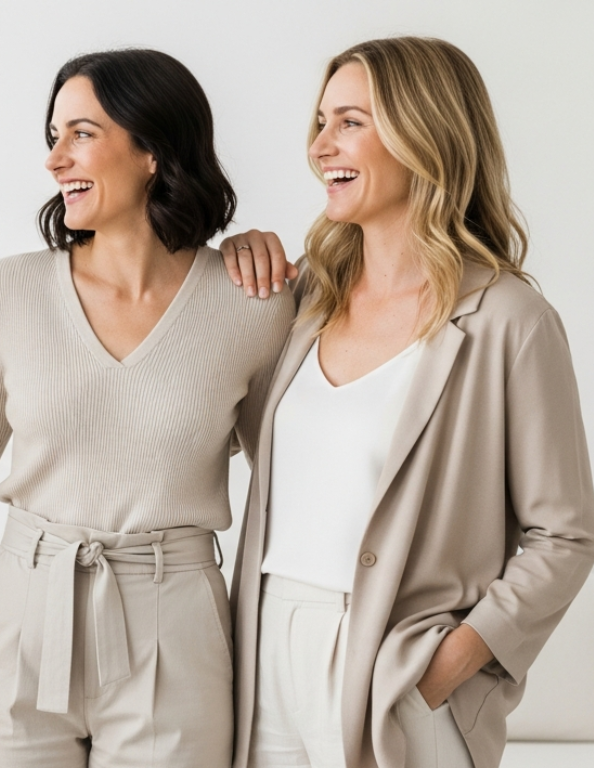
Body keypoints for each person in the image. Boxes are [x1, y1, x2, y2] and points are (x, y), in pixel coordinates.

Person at [221, 36, 594, 768]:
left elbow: (565, 537)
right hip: (263, 643)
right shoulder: (302, 304)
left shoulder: (508, 320)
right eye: (321, 121)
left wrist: (443, 669)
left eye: (351, 121)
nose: (320, 144)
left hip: (398, 662)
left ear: (425, 133)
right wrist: (231, 271)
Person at [0, 49, 293, 767]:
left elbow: (290, 478)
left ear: (151, 150)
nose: (53, 160)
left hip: (176, 625)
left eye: (79, 133)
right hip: (22, 613)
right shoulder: (10, 291)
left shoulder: (253, 302)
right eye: (52, 135)